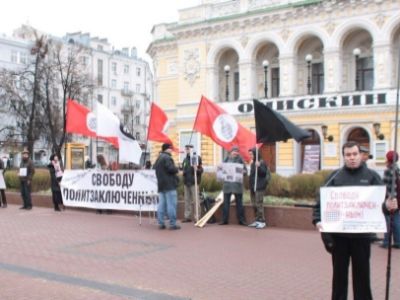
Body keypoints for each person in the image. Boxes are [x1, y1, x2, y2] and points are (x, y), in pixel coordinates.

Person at [312, 141, 383, 300]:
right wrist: (318, 220)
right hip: (339, 238)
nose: (352, 158)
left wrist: (390, 206)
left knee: (362, 278)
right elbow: (321, 202)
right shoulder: (335, 177)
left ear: (361, 155)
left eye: (355, 154)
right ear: (343, 156)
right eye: (348, 155)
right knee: (339, 278)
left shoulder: (372, 177)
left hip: (362, 237)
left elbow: (382, 204)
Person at [153, 143, 180, 230]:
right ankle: (172, 224)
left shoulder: (158, 158)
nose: (171, 150)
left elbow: (154, 167)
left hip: (161, 185)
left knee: (161, 205)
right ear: (167, 149)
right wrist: (177, 169)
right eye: (170, 148)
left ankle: (161, 223)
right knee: (171, 205)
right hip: (169, 185)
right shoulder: (167, 157)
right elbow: (170, 168)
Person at [220, 145, 247, 226]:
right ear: (231, 152)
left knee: (239, 204)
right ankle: (224, 220)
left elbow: (246, 171)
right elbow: (221, 170)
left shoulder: (240, 160)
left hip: (237, 185)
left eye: (236, 151)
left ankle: (241, 220)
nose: (235, 153)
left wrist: (242, 171)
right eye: (234, 151)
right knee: (225, 203)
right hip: (227, 185)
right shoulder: (226, 159)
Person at [381, 150, 400, 249]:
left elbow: (384, 185)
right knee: (396, 220)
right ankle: (397, 241)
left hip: (390, 198)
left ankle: (386, 242)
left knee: (387, 221)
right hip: (397, 199)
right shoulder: (397, 169)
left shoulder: (388, 170)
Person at [248, 147, 270, 229]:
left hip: (259, 187)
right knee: (254, 204)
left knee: (259, 204)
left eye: (251, 154)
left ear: (255, 154)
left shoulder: (261, 162)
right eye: (249, 154)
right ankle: (257, 220)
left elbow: (263, 173)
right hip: (253, 187)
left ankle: (262, 221)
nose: (250, 156)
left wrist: (259, 167)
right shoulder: (252, 163)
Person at [181, 144, 203, 222]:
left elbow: (201, 170)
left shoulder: (197, 158)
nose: (187, 150)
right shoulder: (185, 159)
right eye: (186, 149)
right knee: (187, 200)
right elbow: (183, 168)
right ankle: (187, 216)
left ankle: (197, 217)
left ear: (192, 149)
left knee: (196, 200)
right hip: (186, 182)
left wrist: (197, 169)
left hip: (194, 182)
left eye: (189, 149)